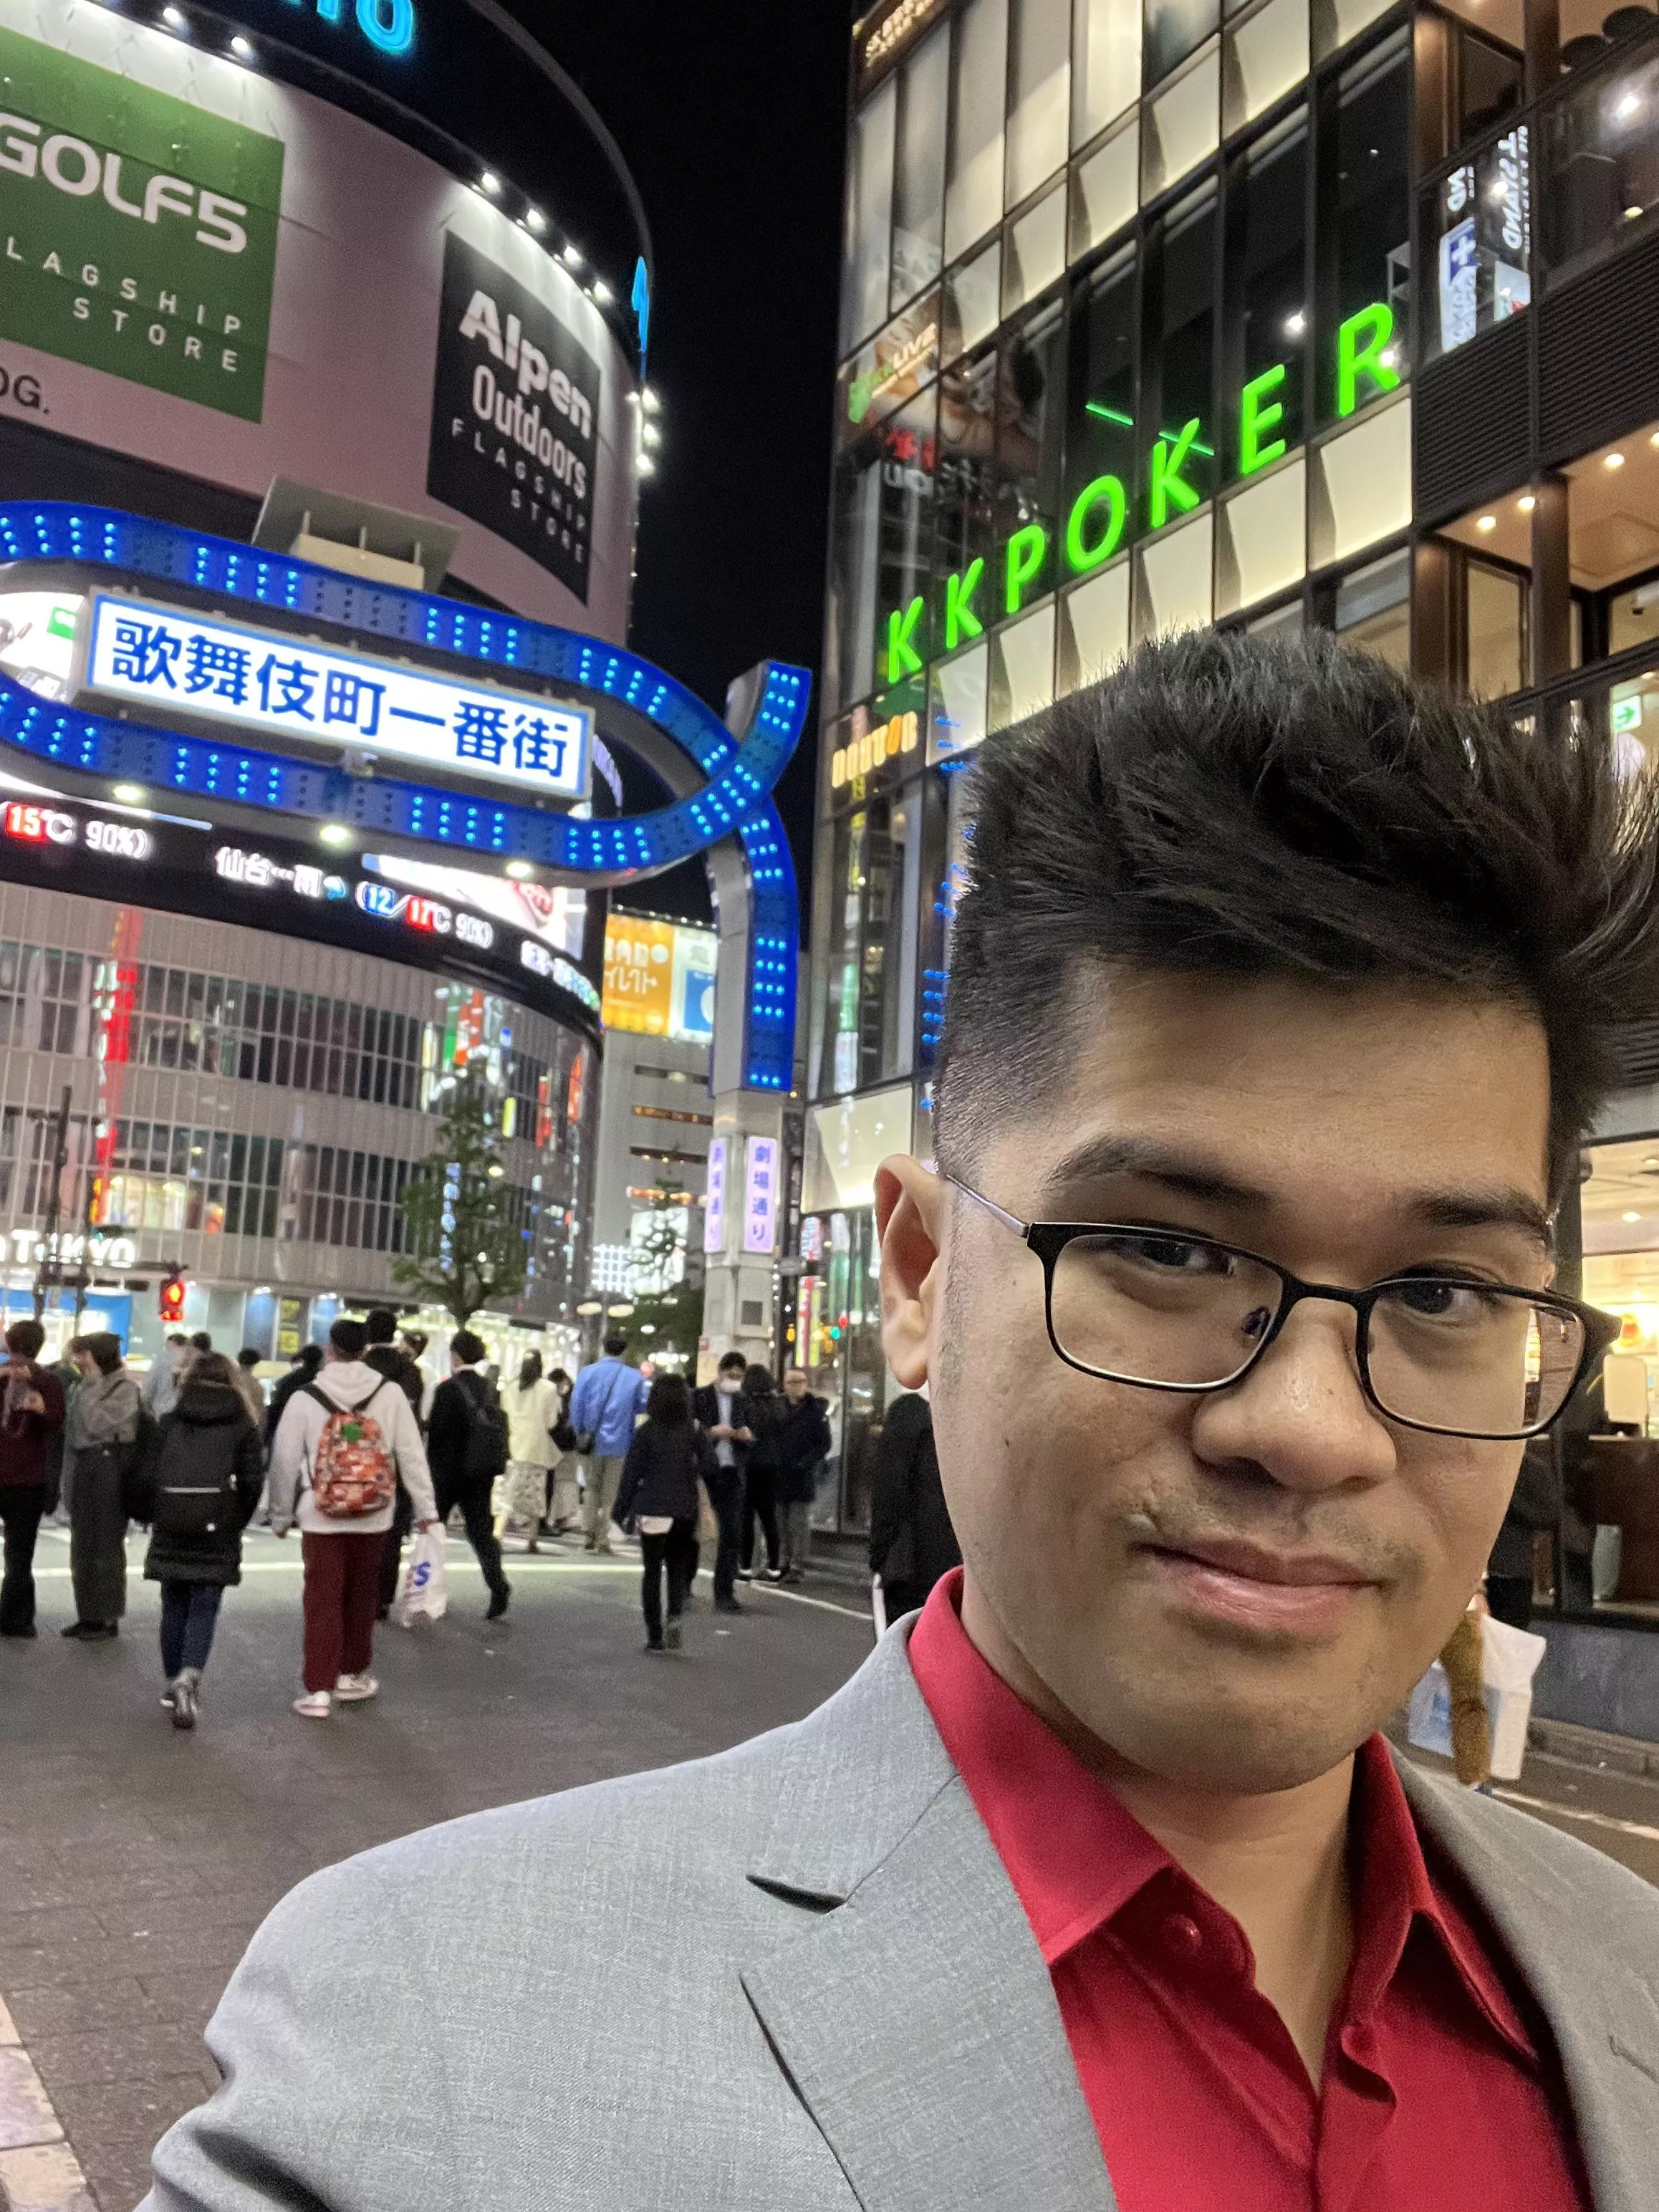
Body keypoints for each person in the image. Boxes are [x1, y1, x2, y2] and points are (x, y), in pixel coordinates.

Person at [143, 632, 1659, 2206]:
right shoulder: (430, 2052)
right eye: (1166, 1251)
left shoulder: (1622, 1976)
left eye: (1441, 1290)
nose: (1316, 1429)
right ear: (923, 1275)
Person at [268, 1317, 437, 1718]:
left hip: (321, 1514)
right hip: (375, 1515)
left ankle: (319, 1690)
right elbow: (411, 1455)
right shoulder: (390, 1393)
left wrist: (280, 1515)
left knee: (322, 1600)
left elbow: (284, 1460)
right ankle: (351, 1675)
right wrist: (427, 1511)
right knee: (362, 1597)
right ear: (365, 1351)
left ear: (331, 1350)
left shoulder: (306, 1397)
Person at [137, 1351, 264, 1731]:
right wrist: (235, 1518)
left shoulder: (170, 1420)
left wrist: (152, 1512)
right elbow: (253, 1481)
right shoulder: (242, 1424)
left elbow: (149, 1473)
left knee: (174, 1601)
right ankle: (189, 1677)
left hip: (171, 1519)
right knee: (204, 1605)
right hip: (216, 1522)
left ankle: (171, 1680)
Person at [612, 1372, 716, 1653]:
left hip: (653, 1508)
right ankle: (674, 1618)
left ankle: (655, 1636)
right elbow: (711, 1465)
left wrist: (620, 1510)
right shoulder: (694, 1429)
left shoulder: (646, 1431)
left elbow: (631, 1473)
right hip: (684, 1507)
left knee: (651, 1571)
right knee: (677, 1568)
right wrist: (691, 1471)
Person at [425, 1329, 512, 1621]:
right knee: (481, 1532)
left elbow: (437, 1436)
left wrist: (431, 1471)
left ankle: (428, 1587)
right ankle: (498, 1584)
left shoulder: (447, 1390)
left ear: (455, 1356)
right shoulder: (489, 1388)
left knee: (433, 1529)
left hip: (448, 1473)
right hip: (480, 1471)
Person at [61, 1332, 140, 1642]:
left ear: (97, 1356)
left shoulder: (125, 1388)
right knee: (82, 1544)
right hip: (84, 1465)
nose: (78, 1360)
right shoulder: (84, 1384)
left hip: (109, 1466)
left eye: (83, 1354)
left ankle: (107, 1617)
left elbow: (97, 1425)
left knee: (106, 1543)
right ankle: (87, 1615)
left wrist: (93, 1383)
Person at [867, 1389, 961, 1630]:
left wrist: (878, 1555)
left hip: (907, 1561)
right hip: (950, 1556)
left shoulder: (903, 1419)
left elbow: (888, 1495)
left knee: (905, 1633)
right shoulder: (951, 1430)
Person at [0, 1319, 66, 1638]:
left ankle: (16, 1617)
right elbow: (57, 1423)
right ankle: (17, 1619)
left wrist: (39, 1406)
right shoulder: (48, 1381)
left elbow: (52, 1420)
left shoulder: (44, 1383)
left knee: (19, 1553)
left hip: (25, 1477)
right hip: (28, 1481)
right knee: (20, 1552)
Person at [362, 1308, 427, 1621]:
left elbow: (348, 1418)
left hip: (361, 1458)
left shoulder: (359, 1367)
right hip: (397, 1460)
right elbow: (414, 1422)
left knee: (360, 1526)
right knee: (392, 1532)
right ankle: (383, 1598)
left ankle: (360, 1592)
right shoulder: (410, 1372)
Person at [569, 1332, 647, 1555]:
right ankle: (603, 1538)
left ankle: (588, 1533)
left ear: (604, 1347)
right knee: (611, 1493)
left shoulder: (587, 1373)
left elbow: (576, 1406)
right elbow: (642, 1406)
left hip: (591, 1442)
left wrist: (581, 1433)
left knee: (591, 1488)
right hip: (620, 1443)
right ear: (624, 1350)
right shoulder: (635, 1377)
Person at [692, 1350, 754, 1614]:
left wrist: (744, 1435)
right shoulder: (699, 1397)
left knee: (731, 1532)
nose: (734, 1380)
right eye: (731, 1375)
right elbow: (691, 1432)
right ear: (720, 1372)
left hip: (732, 1472)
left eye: (739, 1377)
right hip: (704, 1473)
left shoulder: (744, 1401)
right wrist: (711, 1433)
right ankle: (683, 1584)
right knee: (695, 1530)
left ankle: (724, 1592)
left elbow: (754, 1432)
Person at [499, 1349, 560, 1552]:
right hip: (536, 1448)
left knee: (507, 1492)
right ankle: (532, 1539)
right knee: (535, 1495)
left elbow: (504, 1415)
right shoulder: (549, 1389)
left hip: (513, 1445)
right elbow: (551, 1422)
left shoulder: (510, 1387)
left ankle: (498, 1533)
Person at [774, 1366, 831, 1585]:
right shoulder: (777, 1407)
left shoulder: (815, 1410)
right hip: (779, 1473)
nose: (796, 1386)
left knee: (798, 1522)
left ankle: (797, 1566)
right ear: (784, 1385)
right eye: (791, 1382)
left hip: (802, 1474)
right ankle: (782, 1562)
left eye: (800, 1382)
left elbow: (824, 1443)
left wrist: (806, 1462)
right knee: (780, 1522)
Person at [736, 1364, 783, 1582]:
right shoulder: (778, 1405)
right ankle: (774, 1566)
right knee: (769, 1518)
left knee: (746, 1517)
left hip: (750, 1464)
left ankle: (745, 1566)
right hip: (773, 1465)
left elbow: (743, 1431)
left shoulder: (745, 1404)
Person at [264, 1342, 322, 1448]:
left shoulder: (288, 1380)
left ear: (303, 1359)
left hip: (290, 1429)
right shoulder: (324, 1380)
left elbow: (277, 1407)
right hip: (319, 1431)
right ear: (321, 1359)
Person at [544, 1366, 579, 1533]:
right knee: (563, 1481)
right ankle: (561, 1517)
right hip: (564, 1444)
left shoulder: (560, 1396)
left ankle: (560, 1517)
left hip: (559, 1444)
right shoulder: (569, 1396)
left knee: (561, 1481)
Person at [140, 1332, 191, 1420]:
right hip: (181, 1416)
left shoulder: (162, 1363)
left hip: (161, 1414)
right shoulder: (193, 1364)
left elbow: (148, 1391)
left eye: (168, 1347)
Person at [233, 1347, 267, 1425]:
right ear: (255, 1363)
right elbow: (260, 1411)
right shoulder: (257, 1386)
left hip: (233, 1424)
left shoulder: (231, 1380)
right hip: (250, 1425)